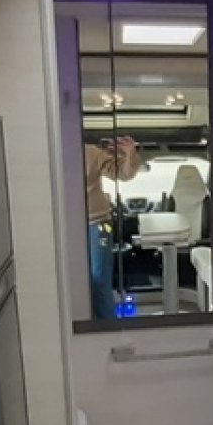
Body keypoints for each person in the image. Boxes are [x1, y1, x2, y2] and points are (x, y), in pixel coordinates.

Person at [84, 135, 140, 319]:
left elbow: (123, 174)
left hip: (98, 224)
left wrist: (130, 154)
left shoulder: (92, 153)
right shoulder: (49, 157)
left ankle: (107, 327)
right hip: (66, 227)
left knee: (99, 279)